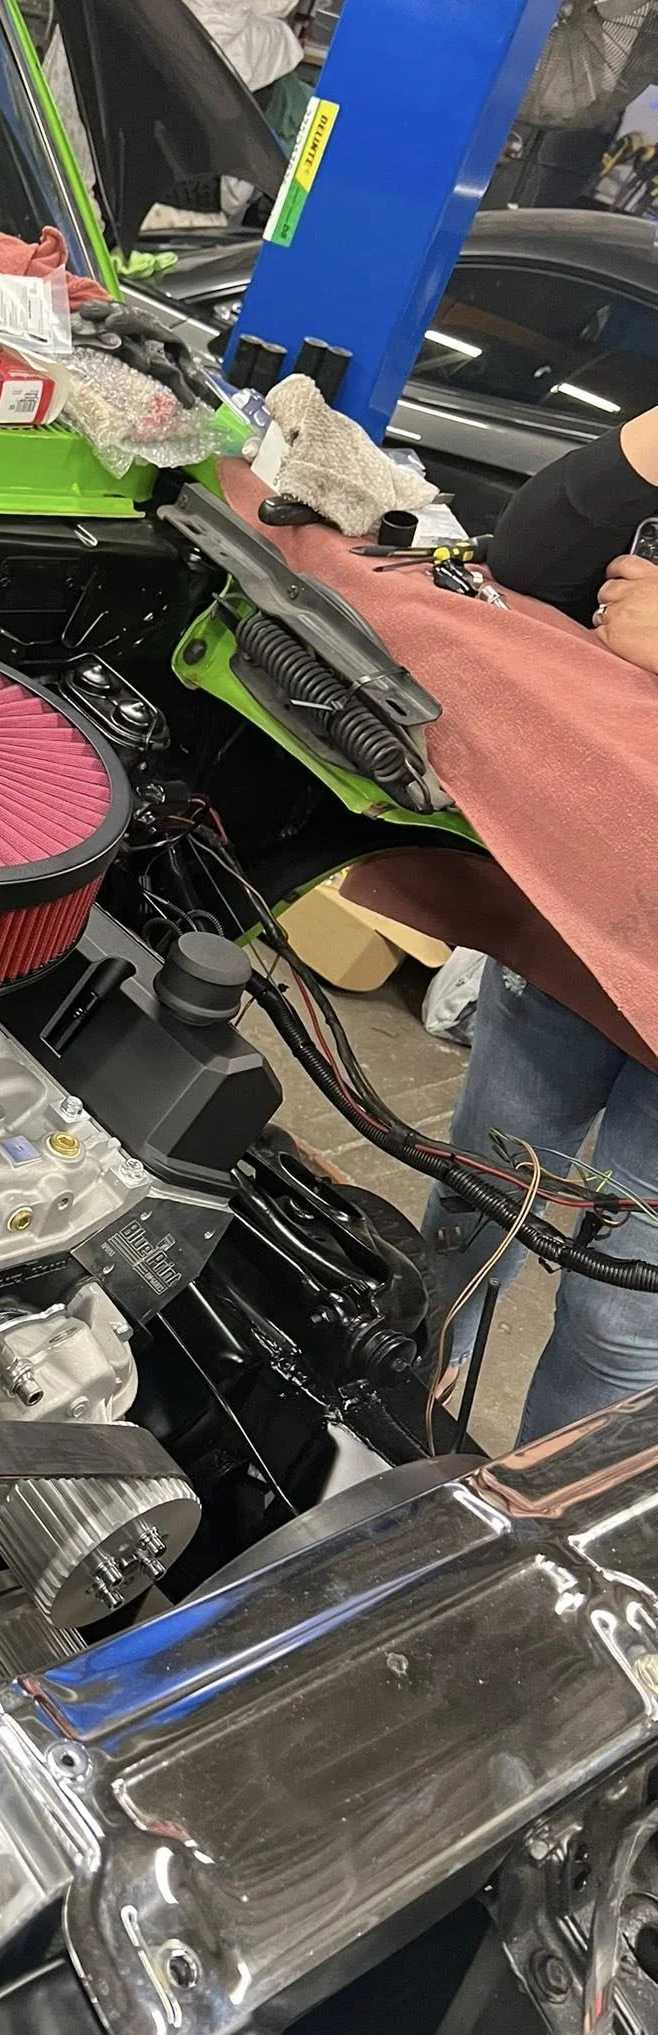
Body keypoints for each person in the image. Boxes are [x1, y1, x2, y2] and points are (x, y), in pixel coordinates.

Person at [422, 406, 658, 1444]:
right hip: (599, 898)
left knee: (620, 1313)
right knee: (481, 1201)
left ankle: (544, 1545)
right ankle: (397, 1419)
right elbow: (527, 562)